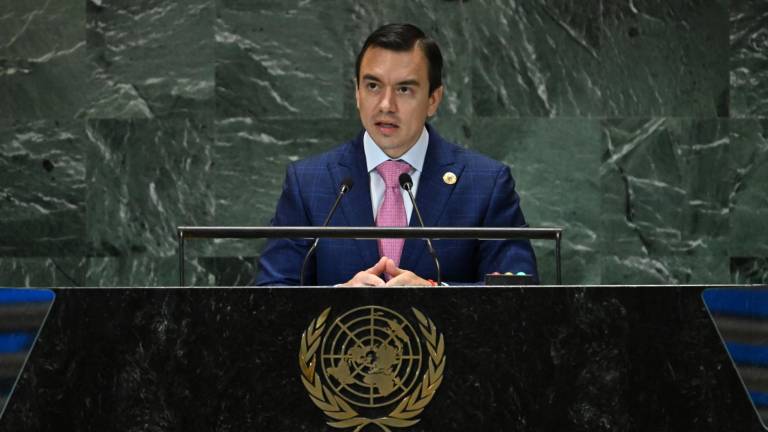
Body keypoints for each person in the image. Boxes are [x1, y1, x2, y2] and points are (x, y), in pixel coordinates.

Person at [255, 23, 537, 287]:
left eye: (404, 89)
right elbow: (272, 292)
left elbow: (519, 291)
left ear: (433, 99)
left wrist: (437, 292)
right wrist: (339, 297)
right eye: (373, 86)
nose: (386, 105)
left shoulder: (486, 183)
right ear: (356, 92)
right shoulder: (308, 183)